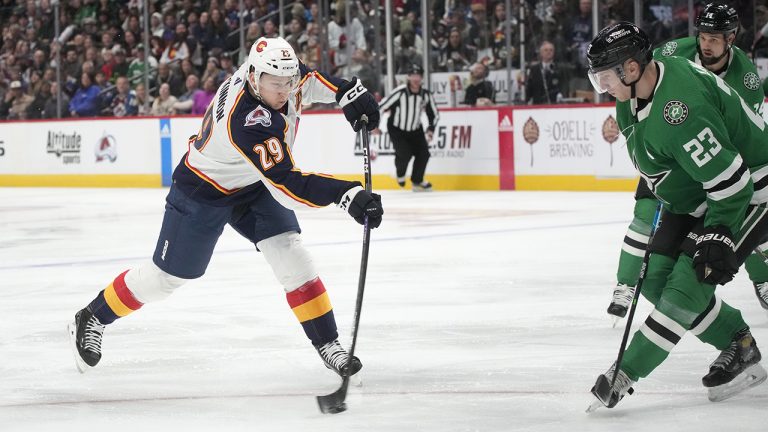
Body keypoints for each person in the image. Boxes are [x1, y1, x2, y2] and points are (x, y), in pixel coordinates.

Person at [67, 37, 382, 379]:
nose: (285, 90)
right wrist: (346, 193)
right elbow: (287, 185)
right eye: (276, 84)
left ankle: (328, 343)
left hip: (252, 183)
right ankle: (93, 315)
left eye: (288, 82)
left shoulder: (275, 74)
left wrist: (346, 91)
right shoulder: (247, 119)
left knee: (290, 254)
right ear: (253, 78)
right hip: (204, 189)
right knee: (165, 279)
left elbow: (309, 81)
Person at [586, 22, 768, 409]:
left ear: (632, 69)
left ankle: (625, 371)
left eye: (605, 77)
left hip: (749, 192)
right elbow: (661, 162)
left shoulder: (680, 111)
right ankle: (740, 344)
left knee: (689, 283)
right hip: (701, 190)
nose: (602, 86)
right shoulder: (631, 97)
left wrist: (717, 231)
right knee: (654, 278)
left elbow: (733, 183)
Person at [608, 3, 768, 325]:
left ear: (731, 38)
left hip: (709, 163)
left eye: (715, 38)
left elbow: (732, 143)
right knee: (642, 215)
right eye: (703, 36)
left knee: (738, 219)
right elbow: (640, 85)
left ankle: (761, 276)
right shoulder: (674, 51)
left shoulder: (747, 79)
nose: (706, 44)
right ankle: (624, 285)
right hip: (667, 154)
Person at [375, 64, 439, 191]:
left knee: (424, 154)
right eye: (413, 75)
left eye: (418, 75)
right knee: (404, 153)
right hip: (397, 128)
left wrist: (430, 130)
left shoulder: (425, 94)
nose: (415, 78)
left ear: (422, 77)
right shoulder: (400, 92)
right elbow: (381, 106)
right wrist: (375, 126)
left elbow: (434, 114)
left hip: (416, 129)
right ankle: (400, 173)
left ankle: (417, 181)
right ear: (408, 77)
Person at [524, 40, 563, 105]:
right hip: (538, 105)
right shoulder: (534, 69)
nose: (549, 52)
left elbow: (562, 87)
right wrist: (527, 102)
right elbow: (529, 89)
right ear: (541, 53)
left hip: (554, 105)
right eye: (546, 50)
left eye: (551, 50)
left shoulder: (558, 69)